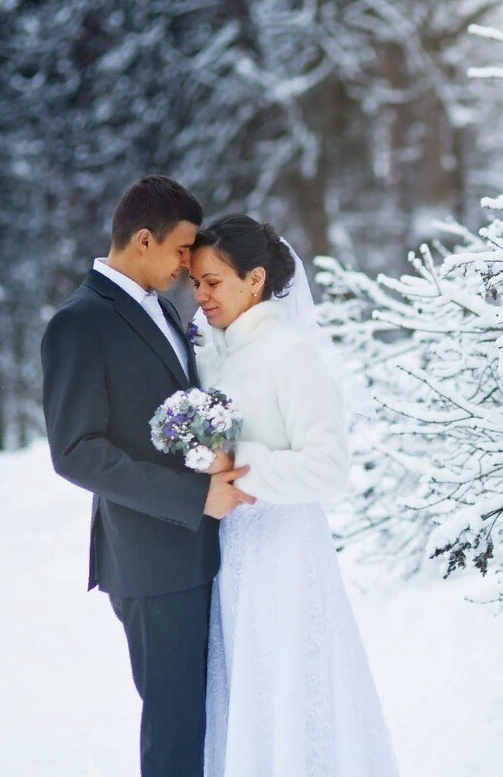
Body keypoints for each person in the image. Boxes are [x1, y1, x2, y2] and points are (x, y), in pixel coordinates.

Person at [40, 175, 255, 776]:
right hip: (150, 560)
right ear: (142, 239)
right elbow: (76, 451)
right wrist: (193, 495)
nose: (190, 266)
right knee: (174, 724)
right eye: (183, 250)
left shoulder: (159, 307)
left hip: (195, 549)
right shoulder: (79, 322)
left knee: (198, 716)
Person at [188, 214, 399, 777]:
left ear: (254, 279)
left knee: (285, 690)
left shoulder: (290, 353)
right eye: (196, 282)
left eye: (213, 281)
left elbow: (328, 467)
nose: (201, 295)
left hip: (283, 550)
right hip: (232, 553)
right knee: (246, 694)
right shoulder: (214, 351)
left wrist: (241, 466)